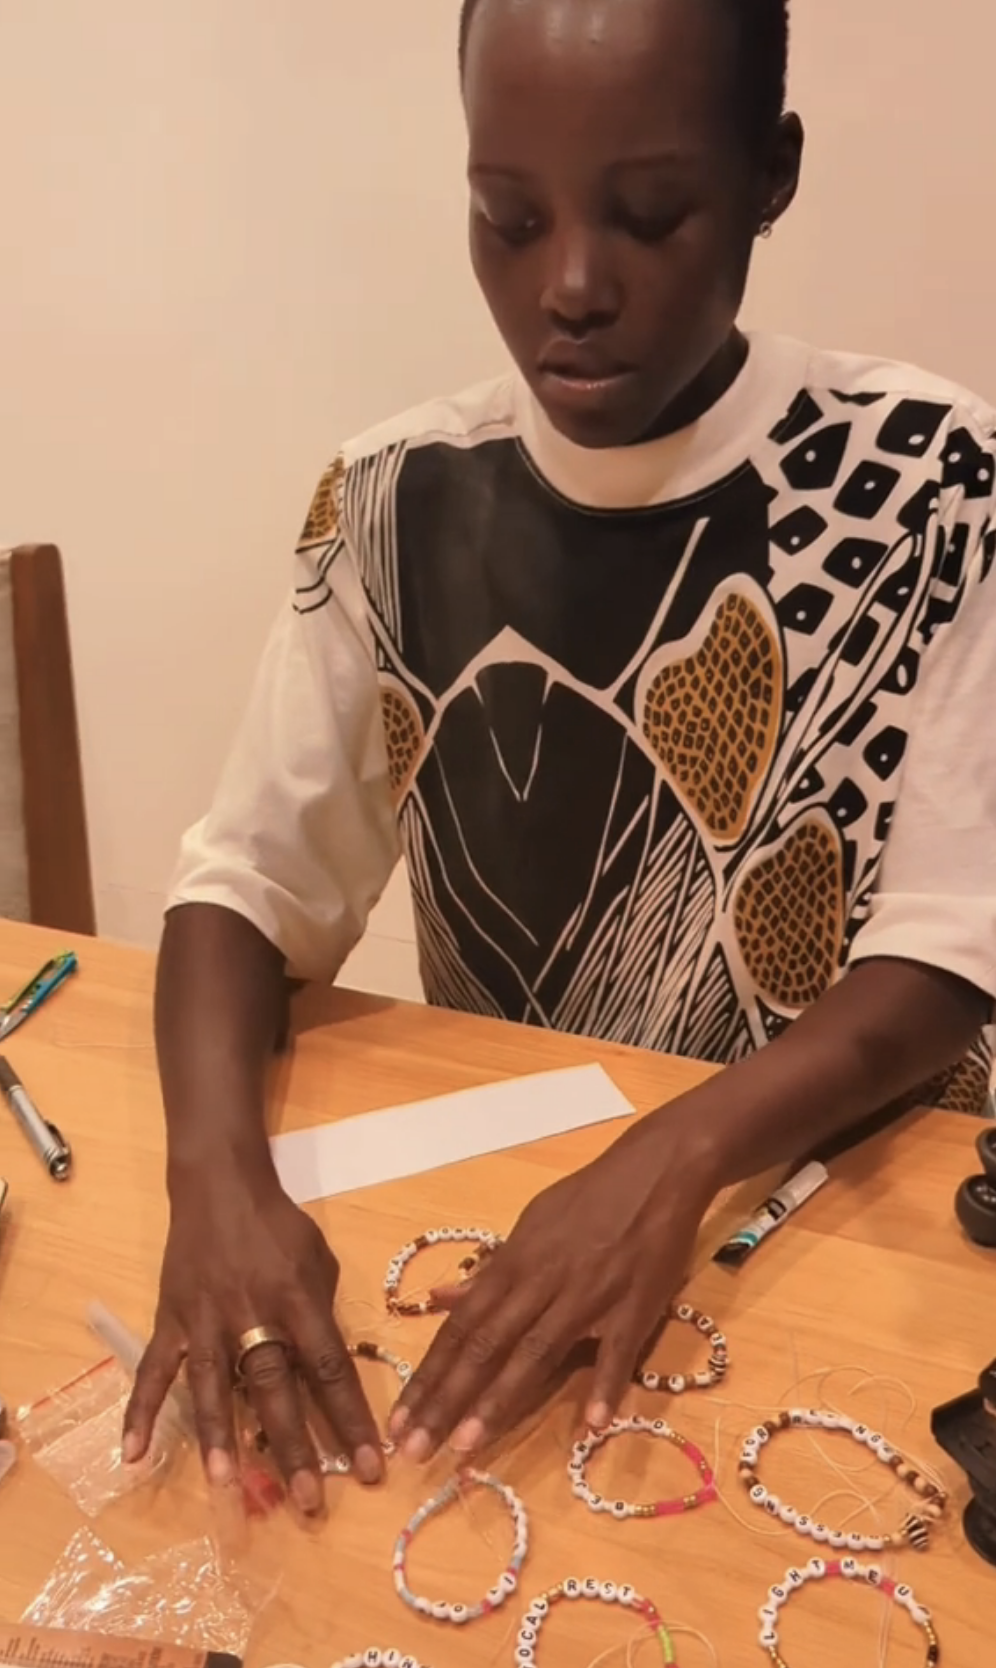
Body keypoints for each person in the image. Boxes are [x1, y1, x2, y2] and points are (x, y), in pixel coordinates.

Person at [124, 0, 996, 1518]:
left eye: (651, 214)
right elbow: (245, 886)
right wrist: (215, 1184)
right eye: (506, 220)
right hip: (512, 1210)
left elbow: (946, 951)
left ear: (772, 173)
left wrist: (676, 1160)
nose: (571, 288)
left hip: (840, 1220)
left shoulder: (936, 483)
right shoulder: (394, 500)